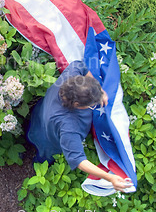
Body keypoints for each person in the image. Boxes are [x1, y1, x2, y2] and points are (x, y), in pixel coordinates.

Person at [27, 60, 132, 192]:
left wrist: (99, 90)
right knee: (44, 155)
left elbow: (79, 65)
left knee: (32, 132)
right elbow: (79, 160)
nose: (95, 105)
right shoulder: (68, 125)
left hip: (39, 115)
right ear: (76, 105)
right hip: (50, 141)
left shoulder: (71, 77)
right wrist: (109, 178)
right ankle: (35, 163)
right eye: (92, 105)